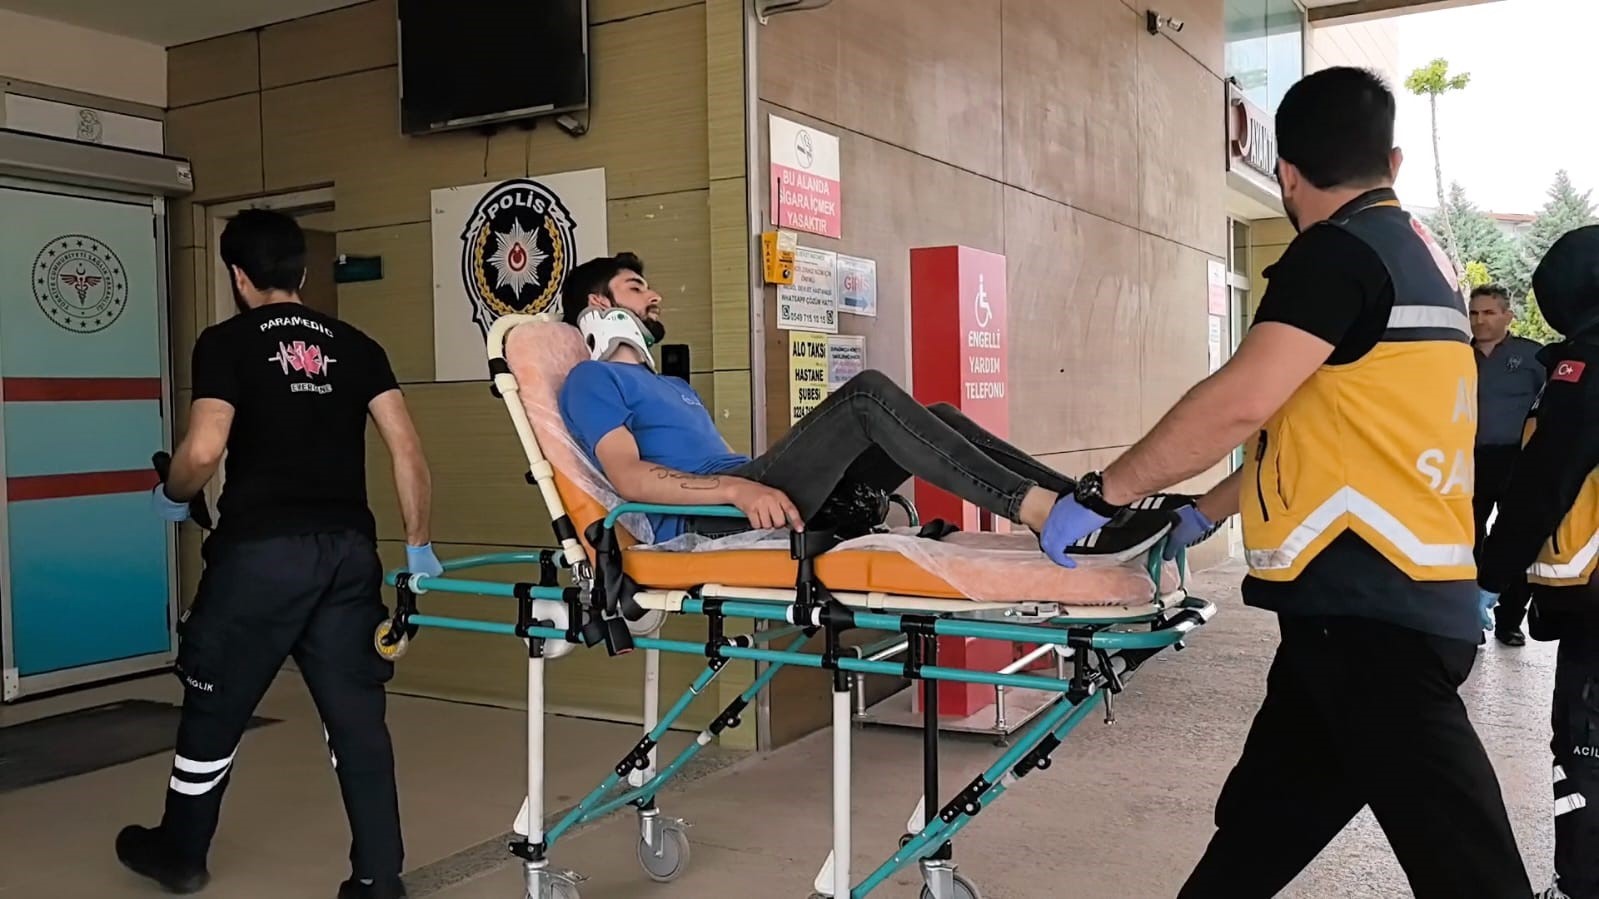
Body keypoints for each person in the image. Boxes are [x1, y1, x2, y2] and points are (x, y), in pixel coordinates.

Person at [1038, 66, 1531, 897]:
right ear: (1393, 161)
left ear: (1287, 175)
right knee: (1261, 829)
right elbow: (1314, 425)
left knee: (1468, 868)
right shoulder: (1422, 257)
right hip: (1360, 612)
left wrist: (1101, 493)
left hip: (1374, 618)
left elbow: (1241, 401)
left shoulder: (1336, 252)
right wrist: (1202, 512)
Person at [116, 209, 442, 899]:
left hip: (261, 556)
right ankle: (378, 876)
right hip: (347, 552)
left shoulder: (226, 342)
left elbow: (203, 450)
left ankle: (181, 852)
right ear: (302, 271)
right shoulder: (357, 345)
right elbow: (409, 452)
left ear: (238, 276)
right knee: (356, 719)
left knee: (214, 706)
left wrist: (173, 493)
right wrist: (417, 545)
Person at [555, 252, 1177, 561]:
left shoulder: (668, 385)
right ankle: (1041, 513)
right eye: (637, 287)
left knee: (940, 414)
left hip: (749, 487)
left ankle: (1091, 508)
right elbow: (629, 478)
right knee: (866, 396)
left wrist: (744, 485)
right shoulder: (590, 379)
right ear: (597, 305)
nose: (655, 296)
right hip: (712, 518)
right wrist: (737, 491)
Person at [1478, 225, 1599, 899]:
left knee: (1587, 745)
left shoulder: (1585, 367)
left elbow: (1545, 480)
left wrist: (1490, 578)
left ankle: (1581, 885)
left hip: (1595, 605)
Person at [1470, 283, 1546, 645]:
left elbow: (1552, 405)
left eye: (1489, 312)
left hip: (1516, 460)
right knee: (1466, 538)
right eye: (1474, 313)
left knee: (1515, 538)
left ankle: (1509, 620)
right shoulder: (1454, 354)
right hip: (1466, 459)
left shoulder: (1532, 356)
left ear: (1508, 316)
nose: (1480, 320)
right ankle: (1468, 618)